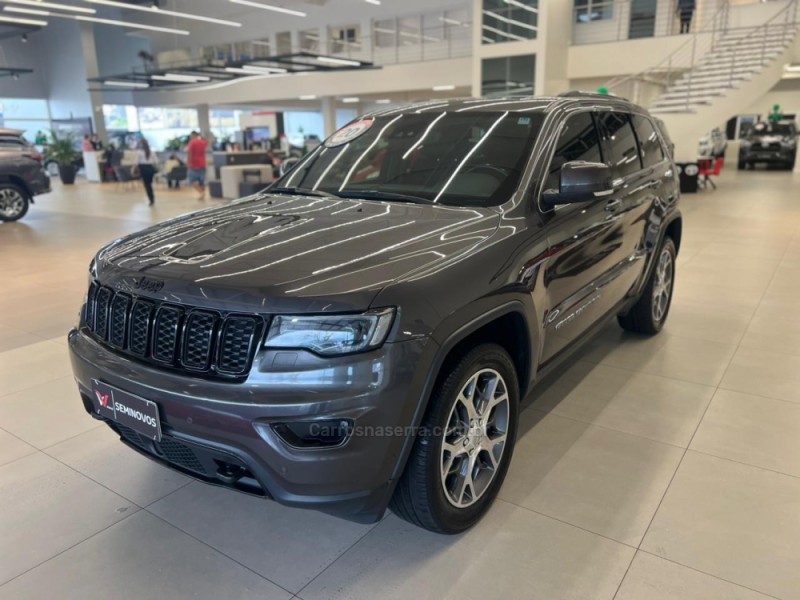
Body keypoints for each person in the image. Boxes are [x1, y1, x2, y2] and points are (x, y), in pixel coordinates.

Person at [135, 138, 159, 206]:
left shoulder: (139, 152)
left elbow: (136, 162)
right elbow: (156, 161)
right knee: (150, 184)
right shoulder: (151, 152)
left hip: (143, 169)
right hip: (150, 168)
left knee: (147, 185)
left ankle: (151, 199)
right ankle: (152, 197)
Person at [186, 131, 208, 200]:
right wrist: (202, 137)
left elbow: (189, 153)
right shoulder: (202, 142)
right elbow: (207, 142)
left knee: (192, 181)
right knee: (202, 181)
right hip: (203, 164)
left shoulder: (192, 142)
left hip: (194, 164)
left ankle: (201, 192)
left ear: (193, 135)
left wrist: (188, 162)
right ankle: (202, 195)